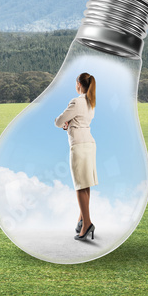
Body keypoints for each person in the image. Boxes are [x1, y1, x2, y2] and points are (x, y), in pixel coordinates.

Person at [54, 72, 98, 241]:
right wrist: (69, 124)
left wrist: (64, 124)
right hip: (89, 144)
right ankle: (81, 220)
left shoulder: (76, 101)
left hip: (78, 145)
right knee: (86, 184)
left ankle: (87, 224)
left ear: (79, 84)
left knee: (80, 186)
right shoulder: (91, 102)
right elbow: (79, 122)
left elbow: (59, 121)